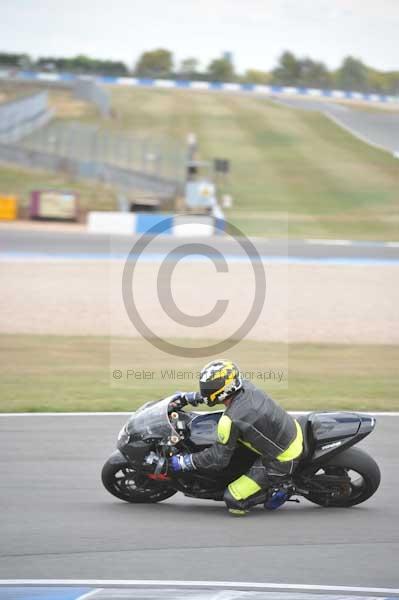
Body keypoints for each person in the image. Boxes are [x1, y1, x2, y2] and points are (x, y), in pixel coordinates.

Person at [169, 359, 303, 516]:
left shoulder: (230, 419)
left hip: (282, 458)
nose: (205, 390)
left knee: (233, 500)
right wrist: (188, 397)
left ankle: (282, 488)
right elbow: (217, 393)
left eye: (208, 388)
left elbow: (218, 459)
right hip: (289, 430)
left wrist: (186, 461)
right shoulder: (244, 385)